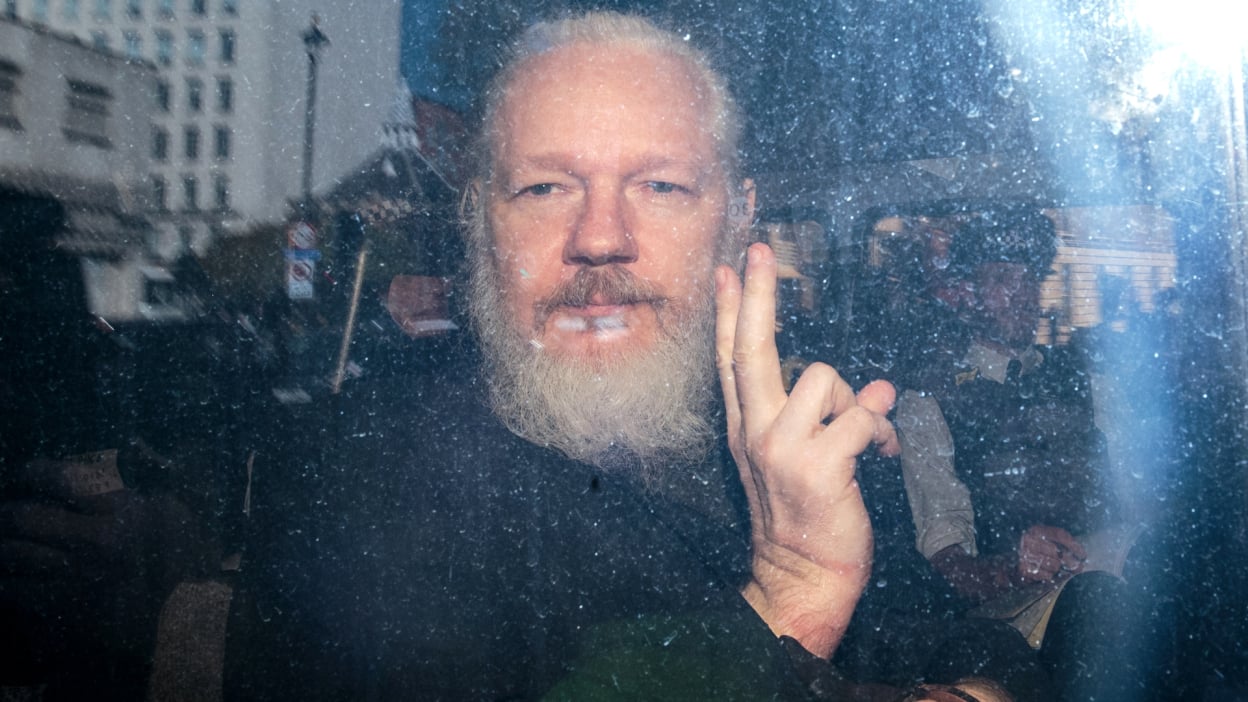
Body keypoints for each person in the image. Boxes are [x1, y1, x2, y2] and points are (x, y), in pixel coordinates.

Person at [225, 12, 1034, 701]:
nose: (600, 237)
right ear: (480, 222)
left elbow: (966, 644)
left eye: (661, 188)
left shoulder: (786, 447)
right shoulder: (358, 485)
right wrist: (792, 595)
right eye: (545, 188)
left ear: (737, 219)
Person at [892, 209, 1168, 699]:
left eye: (1031, 278)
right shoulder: (928, 403)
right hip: (1012, 619)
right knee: (1097, 607)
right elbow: (947, 562)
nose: (1023, 294)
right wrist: (1013, 570)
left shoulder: (1092, 385)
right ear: (969, 296)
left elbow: (1147, 507)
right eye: (1001, 279)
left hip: (1118, 576)